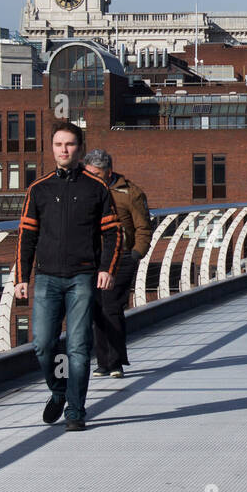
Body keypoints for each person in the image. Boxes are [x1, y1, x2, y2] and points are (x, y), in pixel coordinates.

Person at [16, 122, 122, 431]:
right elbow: (26, 236)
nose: (64, 149)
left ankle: (75, 410)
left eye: (70, 144)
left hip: (82, 277)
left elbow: (113, 233)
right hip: (47, 278)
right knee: (44, 344)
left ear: (79, 149)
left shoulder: (96, 188)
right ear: (52, 149)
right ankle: (59, 391)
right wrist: (22, 276)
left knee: (78, 345)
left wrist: (107, 269)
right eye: (59, 144)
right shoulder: (39, 189)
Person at [84, 150, 152, 379]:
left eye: (96, 173)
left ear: (108, 172)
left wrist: (135, 254)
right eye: (88, 173)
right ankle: (104, 362)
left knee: (111, 307)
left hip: (121, 258)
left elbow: (143, 227)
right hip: (95, 258)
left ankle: (114, 363)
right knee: (97, 309)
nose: (92, 177)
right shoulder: (86, 191)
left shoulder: (130, 193)